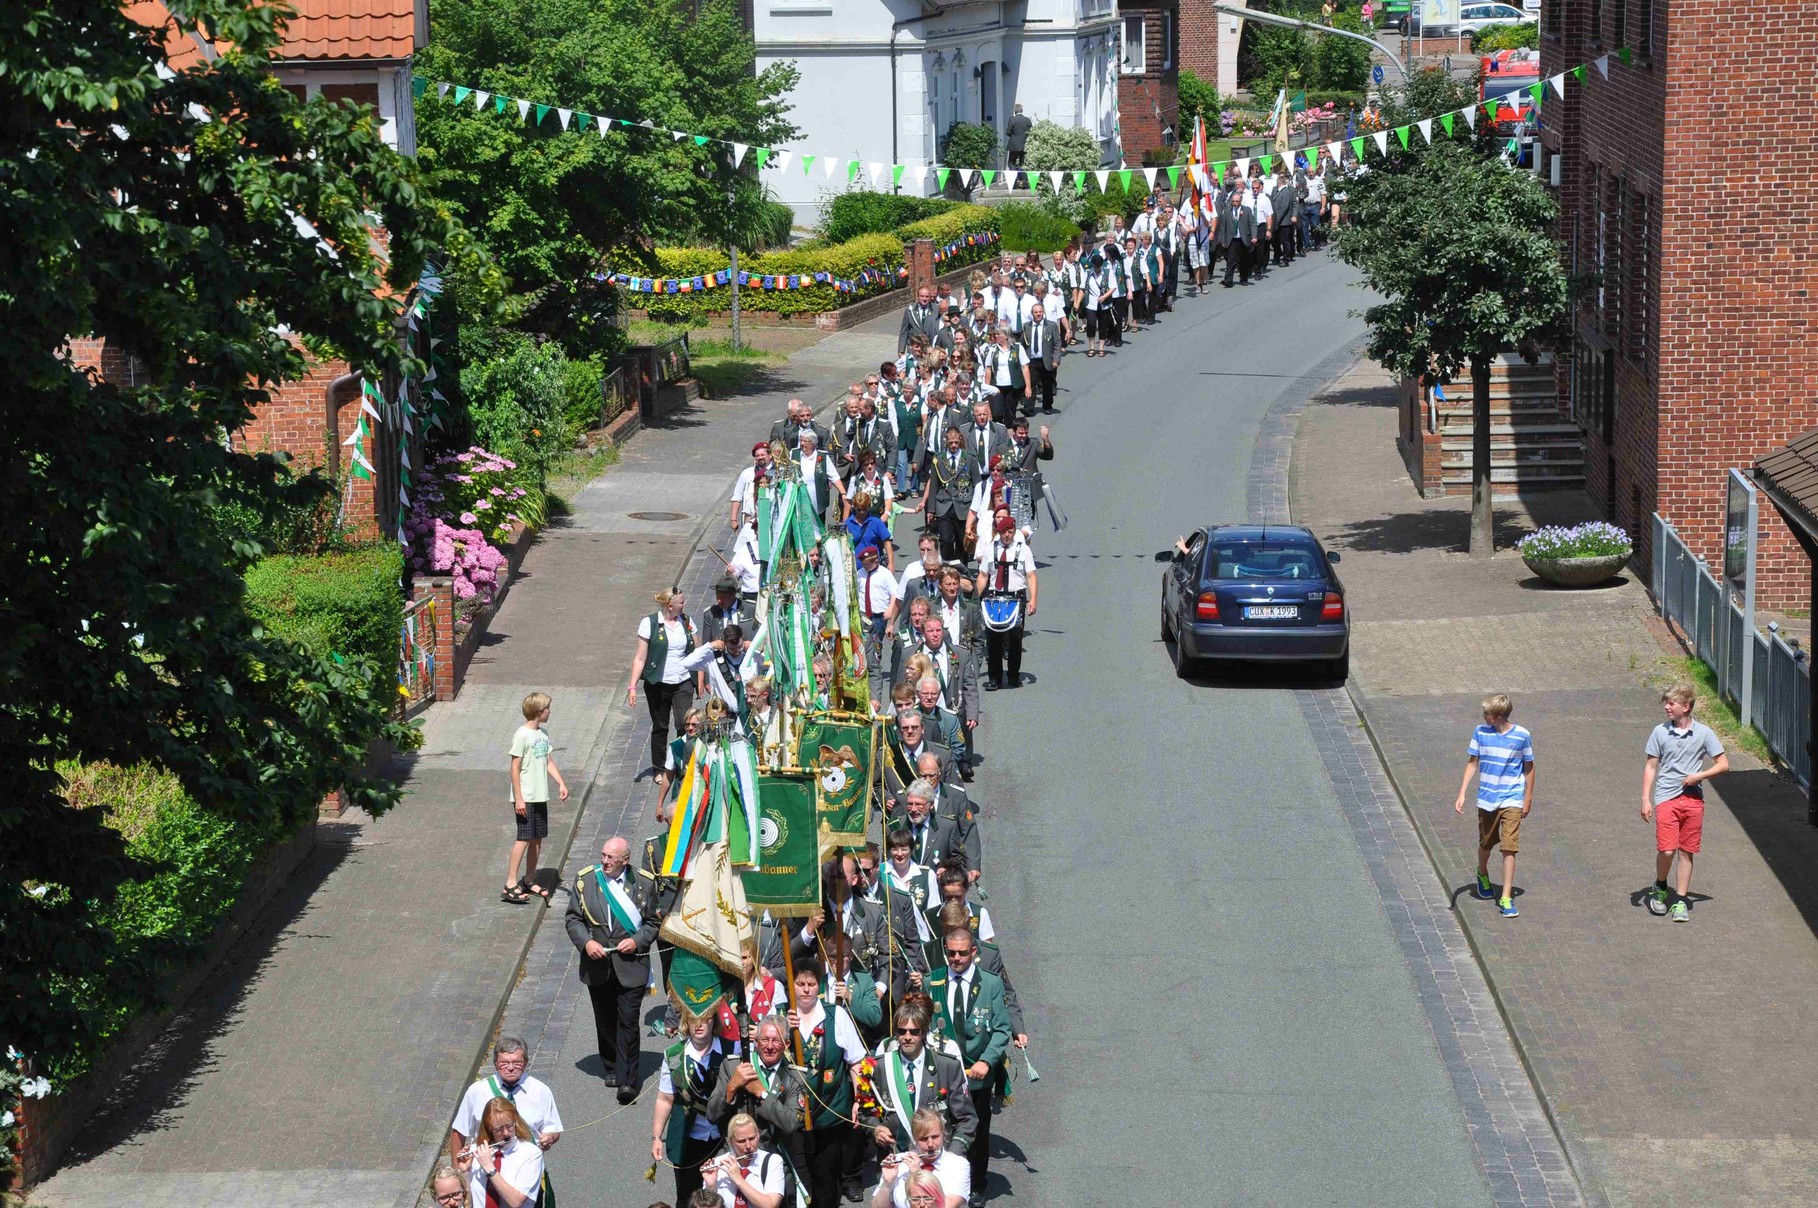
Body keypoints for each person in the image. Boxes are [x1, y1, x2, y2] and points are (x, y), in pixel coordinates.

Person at [566, 836, 658, 1103]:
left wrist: (637, 940)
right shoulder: (586, 880)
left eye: (610, 858)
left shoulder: (643, 882)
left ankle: (627, 1080)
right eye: (603, 855)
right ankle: (611, 1064)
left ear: (625, 861)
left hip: (631, 966)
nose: (604, 861)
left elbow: (653, 922)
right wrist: (587, 943)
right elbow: (573, 918)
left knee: (628, 1020)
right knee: (605, 1019)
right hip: (598, 965)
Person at [925, 928, 1011, 1207]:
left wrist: (987, 1061)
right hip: (943, 1074)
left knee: (977, 1131)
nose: (957, 958)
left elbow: (1001, 1029)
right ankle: (942, 1181)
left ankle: (975, 1184)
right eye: (951, 952)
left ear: (974, 952)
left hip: (977, 1075)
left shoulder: (991, 984)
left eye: (963, 952)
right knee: (941, 1128)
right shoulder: (932, 982)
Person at [782, 959, 867, 1207]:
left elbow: (857, 1062)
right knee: (795, 1186)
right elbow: (767, 1057)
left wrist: (859, 1100)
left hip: (830, 1117)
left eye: (811, 984)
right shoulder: (780, 1015)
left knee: (826, 1183)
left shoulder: (836, 1015)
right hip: (792, 1120)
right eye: (800, 984)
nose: (806, 989)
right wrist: (785, 1032)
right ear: (792, 986)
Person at [1642, 683, 1728, 921]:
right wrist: (1645, 799)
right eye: (1666, 703)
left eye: (1672, 703)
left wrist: (1698, 776)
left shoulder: (1704, 733)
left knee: (1686, 852)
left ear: (1686, 706)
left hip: (1693, 799)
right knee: (1667, 849)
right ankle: (1660, 886)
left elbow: (1723, 764)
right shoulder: (1659, 732)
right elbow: (1651, 766)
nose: (1667, 707)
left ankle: (1679, 900)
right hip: (1666, 797)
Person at [1452, 693, 1536, 920]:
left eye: (1487, 713)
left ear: (1499, 716)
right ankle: (1482, 874)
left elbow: (1529, 767)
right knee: (1486, 842)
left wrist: (1527, 798)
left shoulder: (1521, 735)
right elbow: (1472, 764)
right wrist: (1462, 793)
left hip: (1512, 798)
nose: (1483, 716)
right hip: (1487, 798)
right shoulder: (1480, 732)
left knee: (1509, 846)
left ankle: (1506, 897)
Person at [857, 1002, 977, 1155]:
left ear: (924, 1032)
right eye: (902, 1031)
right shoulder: (879, 1067)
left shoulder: (947, 1066)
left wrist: (952, 1156)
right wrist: (876, 1129)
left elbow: (967, 1120)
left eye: (914, 1032)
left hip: (936, 1160)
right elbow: (864, 1112)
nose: (907, 1037)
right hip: (895, 1158)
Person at [654, 1014, 731, 1205]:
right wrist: (656, 1137)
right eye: (693, 1019)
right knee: (687, 1197)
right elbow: (665, 1098)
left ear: (714, 1021)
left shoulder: (731, 1048)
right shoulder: (674, 1055)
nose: (699, 1025)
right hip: (688, 1138)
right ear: (685, 1023)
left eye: (705, 1019)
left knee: (723, 1195)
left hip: (724, 1137)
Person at [628, 588, 699, 777]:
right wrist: (632, 686)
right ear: (670, 605)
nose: (684, 605)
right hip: (658, 683)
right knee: (660, 727)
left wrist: (701, 680)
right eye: (681, 602)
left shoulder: (687, 621)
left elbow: (699, 653)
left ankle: (682, 764)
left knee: (684, 723)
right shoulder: (650, 623)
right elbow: (640, 658)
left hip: (683, 681)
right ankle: (659, 769)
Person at [505, 692, 567, 905]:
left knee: (537, 838)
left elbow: (548, 761)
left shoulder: (543, 734)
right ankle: (511, 882)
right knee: (523, 838)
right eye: (548, 708)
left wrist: (560, 782)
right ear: (539, 712)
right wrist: (519, 798)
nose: (550, 711)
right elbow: (515, 767)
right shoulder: (522, 735)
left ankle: (529, 879)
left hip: (540, 795)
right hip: (527, 796)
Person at [975, 515, 1037, 691]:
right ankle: (994, 677)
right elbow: (983, 576)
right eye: (1004, 532)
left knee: (1015, 638)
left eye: (1010, 532)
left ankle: (1013, 676)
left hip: (1016, 598)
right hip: (994, 597)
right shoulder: (990, 549)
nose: (1007, 535)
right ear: (999, 531)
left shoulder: (1024, 550)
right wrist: (974, 598)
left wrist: (1033, 598)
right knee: (993, 637)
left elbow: (1031, 575)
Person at [872, 1111, 970, 1208]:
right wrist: (887, 1183)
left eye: (935, 1137)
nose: (930, 1144)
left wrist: (917, 1175)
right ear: (914, 1139)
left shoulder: (958, 1165)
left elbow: (948, 1205)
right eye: (924, 1139)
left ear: (943, 1134)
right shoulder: (900, 1162)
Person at [465, 1097, 544, 1208]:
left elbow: (516, 1201)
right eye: (499, 1129)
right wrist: (463, 1171)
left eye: (509, 1125)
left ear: (515, 1121)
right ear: (489, 1128)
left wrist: (489, 1167)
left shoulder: (531, 1154)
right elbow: (462, 1197)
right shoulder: (478, 1151)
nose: (506, 1133)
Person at [920, 427, 978, 564]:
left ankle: (962, 569)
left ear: (960, 441)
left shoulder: (969, 458)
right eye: (950, 442)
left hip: (963, 505)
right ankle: (947, 566)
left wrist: (976, 509)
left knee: (961, 540)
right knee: (946, 539)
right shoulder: (938, 459)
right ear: (946, 441)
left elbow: (977, 485)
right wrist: (931, 509)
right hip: (943, 504)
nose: (953, 446)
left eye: (956, 442)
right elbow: (933, 485)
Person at [704, 1113, 786, 1208]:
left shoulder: (772, 1161)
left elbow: (771, 1205)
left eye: (752, 1138)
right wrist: (710, 1186)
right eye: (741, 1141)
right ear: (731, 1141)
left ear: (758, 1135)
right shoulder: (719, 1163)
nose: (748, 1146)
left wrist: (738, 1179)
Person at [1020, 302, 1061, 415]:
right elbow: (1021, 344)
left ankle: (1047, 406)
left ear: (1043, 312)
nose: (1038, 314)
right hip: (1032, 360)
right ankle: (1028, 408)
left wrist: (1056, 359)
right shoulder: (1026, 326)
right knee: (1030, 384)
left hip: (1046, 360)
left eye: (1040, 312)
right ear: (1032, 313)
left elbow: (1057, 343)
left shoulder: (1051, 326)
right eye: (1036, 312)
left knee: (1047, 384)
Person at [847, 491, 896, 571]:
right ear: (854, 507)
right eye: (859, 510)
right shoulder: (848, 524)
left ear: (869, 506)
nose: (862, 512)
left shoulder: (876, 522)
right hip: (854, 569)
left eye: (864, 509)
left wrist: (891, 563)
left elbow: (887, 544)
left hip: (874, 568)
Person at [729, 441, 772, 532]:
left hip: (771, 518)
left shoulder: (777, 472)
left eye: (762, 455)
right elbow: (737, 496)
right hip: (749, 518)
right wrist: (733, 519)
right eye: (757, 456)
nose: (760, 457)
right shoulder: (747, 473)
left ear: (770, 455)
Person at [900, 286, 942, 355]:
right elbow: (904, 331)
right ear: (918, 297)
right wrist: (901, 350)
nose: (924, 299)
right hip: (914, 348)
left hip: (930, 348)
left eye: (927, 296)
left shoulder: (936, 309)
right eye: (922, 296)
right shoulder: (910, 309)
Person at [1005, 103, 1031, 167]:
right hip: (1024, 144)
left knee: (1011, 163)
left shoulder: (1012, 120)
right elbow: (1031, 131)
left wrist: (1013, 137)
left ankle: (1014, 176)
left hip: (1014, 145)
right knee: (1023, 164)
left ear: (1015, 111)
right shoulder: (1027, 120)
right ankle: (1023, 177)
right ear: (1022, 110)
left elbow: (1008, 132)